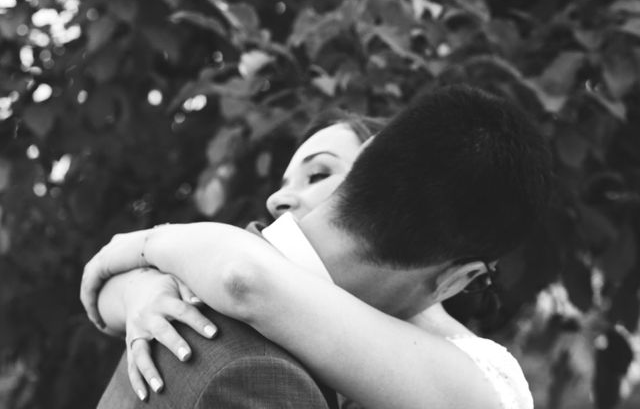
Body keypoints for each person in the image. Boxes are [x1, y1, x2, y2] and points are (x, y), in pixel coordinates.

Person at [82, 84, 552, 409]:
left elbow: (243, 276)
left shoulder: (205, 267)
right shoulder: (249, 367)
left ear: (367, 159)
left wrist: (143, 244)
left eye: (320, 172)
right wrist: (141, 280)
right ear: (461, 278)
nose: (280, 197)